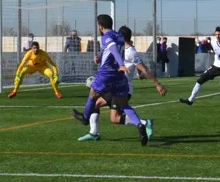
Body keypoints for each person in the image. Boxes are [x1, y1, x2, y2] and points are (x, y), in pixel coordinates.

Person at [71, 14, 149, 146]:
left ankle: (85, 118)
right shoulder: (119, 36)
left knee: (92, 94)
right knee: (124, 104)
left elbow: (113, 49)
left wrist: (121, 64)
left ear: (100, 26)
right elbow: (110, 50)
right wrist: (100, 58)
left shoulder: (106, 36)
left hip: (107, 74)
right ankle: (140, 126)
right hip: (119, 77)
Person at [78, 25, 165, 141]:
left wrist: (157, 84)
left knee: (111, 115)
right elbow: (140, 73)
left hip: (123, 88)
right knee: (100, 107)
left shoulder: (130, 52)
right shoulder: (122, 49)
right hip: (114, 86)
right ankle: (94, 132)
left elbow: (144, 69)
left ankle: (144, 123)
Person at [179, 26, 220, 109]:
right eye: (216, 34)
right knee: (200, 80)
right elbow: (216, 53)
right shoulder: (213, 42)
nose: (217, 36)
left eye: (219, 34)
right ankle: (190, 100)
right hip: (215, 66)